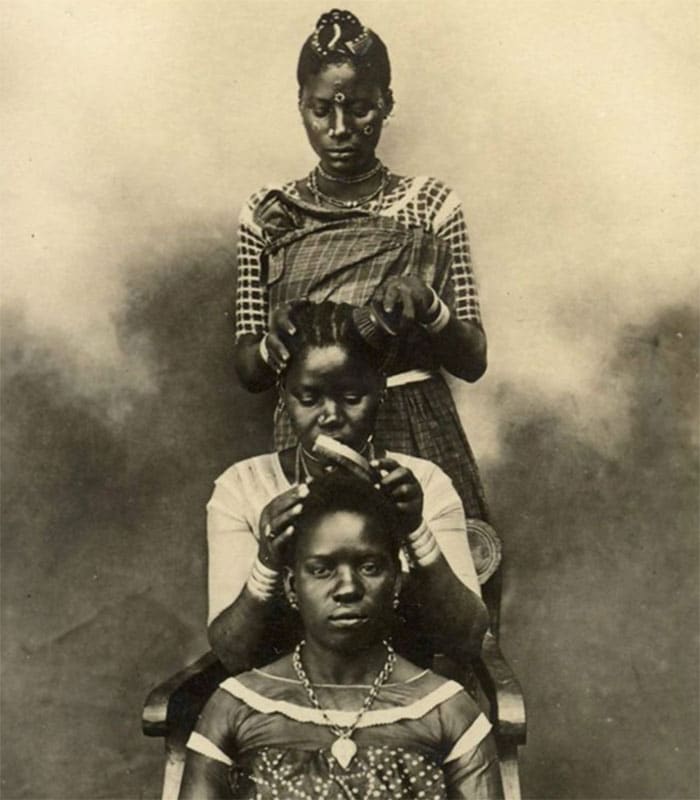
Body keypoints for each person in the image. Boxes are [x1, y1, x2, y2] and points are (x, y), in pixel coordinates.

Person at [232, 9, 489, 521]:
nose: (341, 128)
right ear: (301, 105)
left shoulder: (431, 204)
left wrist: (429, 307)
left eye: (362, 109)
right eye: (322, 110)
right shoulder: (268, 213)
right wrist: (272, 342)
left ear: (387, 104)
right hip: (313, 431)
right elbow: (249, 371)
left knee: (432, 579)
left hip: (414, 425)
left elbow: (473, 360)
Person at [181, 473, 504, 799]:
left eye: (369, 567)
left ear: (395, 583)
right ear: (293, 587)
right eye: (322, 569)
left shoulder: (446, 711)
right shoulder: (235, 706)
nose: (348, 588)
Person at [208, 300, 487, 675]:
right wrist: (268, 560)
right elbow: (232, 654)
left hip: (399, 699)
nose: (330, 418)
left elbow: (466, 642)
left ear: (382, 391)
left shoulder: (425, 483)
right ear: (284, 396)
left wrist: (415, 530)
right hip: (283, 707)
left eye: (353, 398)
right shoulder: (242, 487)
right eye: (308, 399)